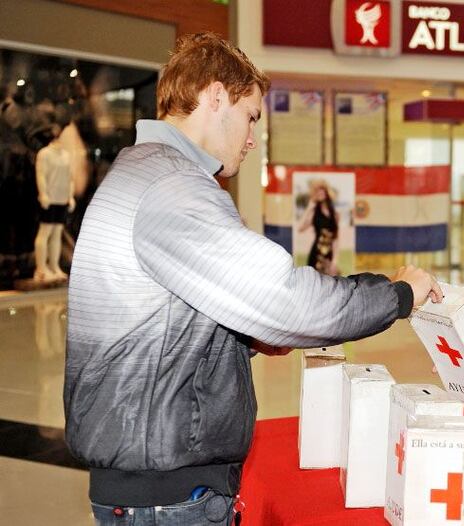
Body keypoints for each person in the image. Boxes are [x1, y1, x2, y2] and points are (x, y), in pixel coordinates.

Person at [64, 32, 442, 525]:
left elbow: (156, 327)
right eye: (250, 117)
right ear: (216, 96)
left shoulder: (143, 172)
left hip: (150, 485)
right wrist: (398, 295)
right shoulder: (173, 187)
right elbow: (289, 302)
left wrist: (242, 340)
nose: (251, 138)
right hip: (167, 498)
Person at [33, 121, 75, 282]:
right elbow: (41, 175)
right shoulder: (44, 154)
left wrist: (70, 197)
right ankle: (41, 268)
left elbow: (70, 178)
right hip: (49, 199)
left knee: (57, 232)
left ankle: (54, 266)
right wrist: (43, 194)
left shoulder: (66, 155)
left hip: (62, 199)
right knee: (45, 232)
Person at [298, 179, 339, 275]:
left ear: (326, 193)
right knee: (315, 283)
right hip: (316, 253)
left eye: (322, 191)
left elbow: (336, 239)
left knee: (329, 284)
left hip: (329, 254)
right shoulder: (314, 212)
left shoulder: (335, 214)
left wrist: (335, 260)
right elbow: (300, 228)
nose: (320, 194)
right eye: (318, 192)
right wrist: (308, 208)